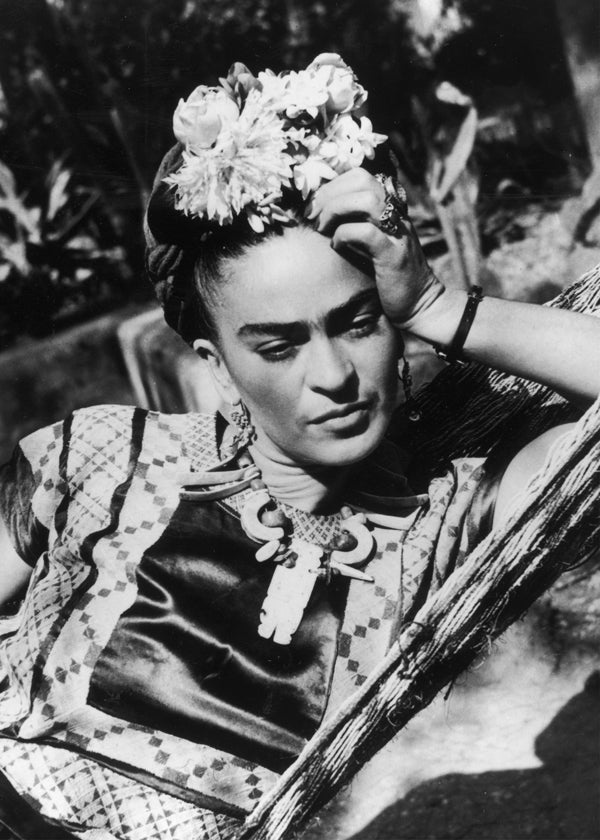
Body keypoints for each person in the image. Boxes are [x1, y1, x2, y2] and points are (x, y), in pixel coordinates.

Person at [0, 54, 598, 840]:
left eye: (358, 323)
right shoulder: (107, 456)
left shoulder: (453, 524)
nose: (334, 377)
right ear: (218, 366)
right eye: (278, 346)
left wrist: (437, 303)